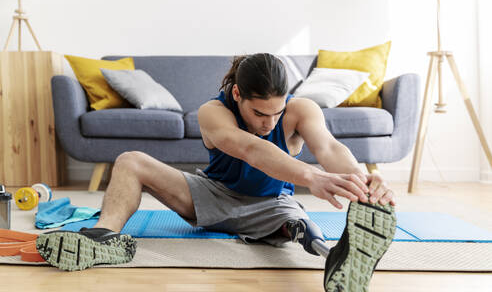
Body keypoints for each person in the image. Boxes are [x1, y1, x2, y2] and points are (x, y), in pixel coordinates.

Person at [36, 53, 396, 291]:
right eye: (259, 114)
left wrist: (362, 180)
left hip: (270, 207)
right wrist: (312, 177)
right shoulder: (213, 112)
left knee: (296, 220)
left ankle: (333, 256)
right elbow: (250, 149)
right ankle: (104, 239)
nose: (269, 122)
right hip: (210, 197)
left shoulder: (301, 110)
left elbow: (330, 147)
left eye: (277, 112)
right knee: (130, 159)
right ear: (238, 94)